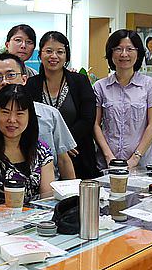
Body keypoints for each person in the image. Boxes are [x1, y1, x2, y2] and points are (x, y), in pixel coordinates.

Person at [0, 53, 76, 180]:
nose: (5, 82)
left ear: (24, 79)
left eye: (11, 75)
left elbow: (64, 160)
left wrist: (71, 191)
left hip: (48, 188)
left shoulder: (50, 115)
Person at [25, 31, 100, 179]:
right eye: (49, 51)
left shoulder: (80, 81)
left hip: (78, 152)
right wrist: (54, 145)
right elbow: (29, 119)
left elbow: (88, 118)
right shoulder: (31, 84)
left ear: (66, 56)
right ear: (40, 54)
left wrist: (65, 144)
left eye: (60, 52)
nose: (54, 56)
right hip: (42, 155)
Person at [0, 84, 54, 206]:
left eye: (20, 113)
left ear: (30, 116)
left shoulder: (42, 151)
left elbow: (47, 201)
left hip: (38, 217)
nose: (12, 119)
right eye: (5, 112)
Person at [93, 29, 152, 171]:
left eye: (130, 49)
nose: (124, 54)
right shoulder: (100, 87)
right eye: (118, 49)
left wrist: (135, 158)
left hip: (143, 165)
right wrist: (109, 157)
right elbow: (95, 125)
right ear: (111, 53)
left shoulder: (151, 86)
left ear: (138, 53)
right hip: (107, 165)